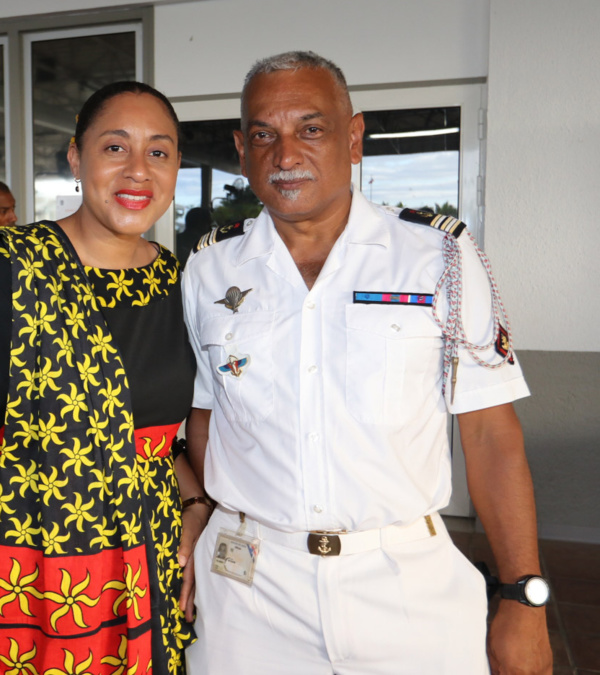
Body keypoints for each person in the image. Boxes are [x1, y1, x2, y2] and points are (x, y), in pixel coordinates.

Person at [181, 51, 552, 675]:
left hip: (406, 587)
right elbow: (206, 417)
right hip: (250, 597)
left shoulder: (439, 258)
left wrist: (522, 595)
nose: (286, 155)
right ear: (242, 151)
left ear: (353, 138)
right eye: (264, 136)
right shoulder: (208, 270)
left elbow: (490, 433)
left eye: (311, 128)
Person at [0, 81, 210, 675]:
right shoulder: (8, 268)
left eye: (159, 152)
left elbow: (152, 438)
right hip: (30, 575)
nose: (138, 170)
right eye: (115, 147)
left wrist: (194, 505)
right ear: (75, 157)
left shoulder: (176, 281)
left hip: (147, 564)